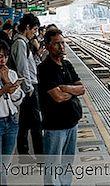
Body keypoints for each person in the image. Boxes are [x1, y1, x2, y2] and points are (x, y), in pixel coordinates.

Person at [38, 28, 85, 185]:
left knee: (66, 165)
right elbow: (58, 97)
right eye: (57, 44)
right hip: (55, 127)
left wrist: (65, 88)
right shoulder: (45, 68)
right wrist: (72, 90)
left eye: (63, 43)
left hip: (72, 124)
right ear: (48, 46)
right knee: (53, 168)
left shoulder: (67, 64)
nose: (62, 47)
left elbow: (82, 89)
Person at [11, 13, 42, 163]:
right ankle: (42, 157)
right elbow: (22, 68)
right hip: (28, 88)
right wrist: (29, 88)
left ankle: (24, 154)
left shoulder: (22, 42)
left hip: (27, 87)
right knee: (36, 123)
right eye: (34, 30)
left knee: (24, 122)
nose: (35, 33)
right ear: (27, 27)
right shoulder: (20, 43)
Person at [0, 40, 25, 184]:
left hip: (12, 121)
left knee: (5, 165)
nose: (2, 60)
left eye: (5, 56)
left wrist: (7, 80)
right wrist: (3, 90)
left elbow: (18, 99)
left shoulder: (11, 74)